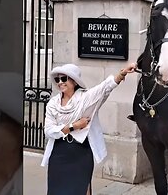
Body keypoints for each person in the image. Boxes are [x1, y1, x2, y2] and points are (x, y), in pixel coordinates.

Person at [41, 62, 137, 195]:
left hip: (81, 153)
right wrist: (74, 126)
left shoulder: (86, 98)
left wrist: (122, 73)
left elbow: (105, 87)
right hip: (59, 153)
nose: (60, 82)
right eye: (57, 79)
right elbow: (49, 130)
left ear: (74, 82)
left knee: (80, 190)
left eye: (64, 79)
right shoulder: (53, 104)